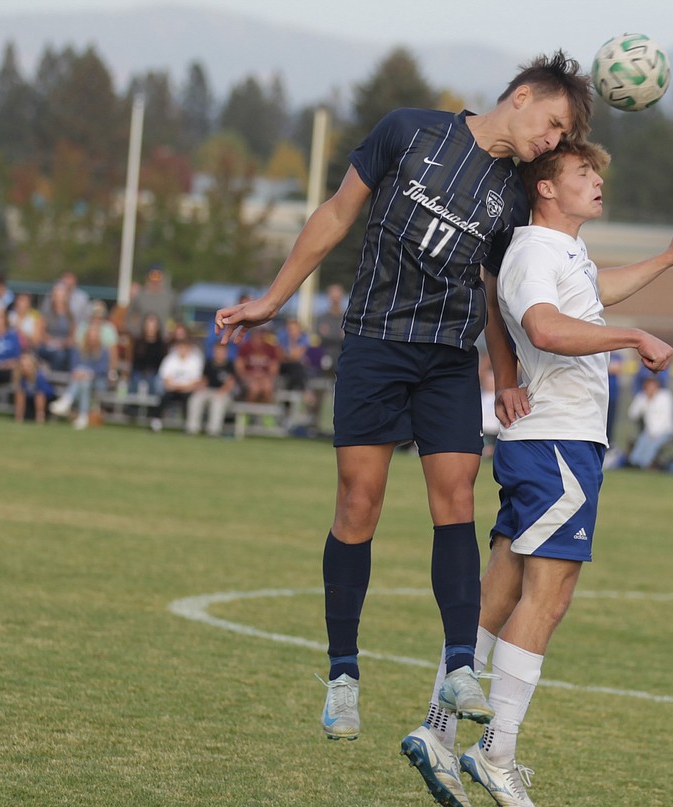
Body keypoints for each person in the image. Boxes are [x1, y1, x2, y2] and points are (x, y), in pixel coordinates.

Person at [212, 52, 592, 766]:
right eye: (552, 124)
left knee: (456, 500)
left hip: (448, 360)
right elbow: (336, 214)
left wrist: (504, 373)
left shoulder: (512, 199)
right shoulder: (407, 132)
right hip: (376, 346)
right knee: (360, 504)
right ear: (520, 97)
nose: (551, 141)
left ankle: (457, 668)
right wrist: (273, 298)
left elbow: (494, 296)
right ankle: (343, 674)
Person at [407, 139, 673, 807]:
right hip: (559, 442)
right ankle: (496, 753)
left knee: (500, 590)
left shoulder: (563, 252)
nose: (597, 181)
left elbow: (587, 299)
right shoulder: (536, 250)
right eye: (582, 172)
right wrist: (632, 337)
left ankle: (439, 731)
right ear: (545, 188)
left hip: (548, 443)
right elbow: (545, 324)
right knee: (550, 595)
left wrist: (667, 259)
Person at [50, 324, 111, 430]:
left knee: (85, 379)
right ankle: (83, 417)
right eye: (90, 336)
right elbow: (73, 366)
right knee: (84, 383)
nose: (92, 338)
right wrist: (80, 373)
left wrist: (88, 373)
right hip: (80, 380)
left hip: (98, 382)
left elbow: (102, 370)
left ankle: (67, 399)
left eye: (94, 336)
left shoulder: (104, 351)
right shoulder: (78, 349)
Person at [150, 335, 204, 432]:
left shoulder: (195, 360)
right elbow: (165, 378)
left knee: (189, 400)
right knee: (163, 397)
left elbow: (196, 381)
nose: (182, 350)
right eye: (180, 347)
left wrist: (183, 387)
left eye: (185, 347)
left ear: (189, 348)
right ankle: (156, 422)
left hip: (187, 390)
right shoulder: (170, 359)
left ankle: (188, 424)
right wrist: (174, 386)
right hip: (172, 389)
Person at [626, 374, 673, 469]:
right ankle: (634, 463)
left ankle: (644, 464)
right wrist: (642, 401)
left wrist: (654, 433)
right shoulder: (642, 397)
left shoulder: (665, 397)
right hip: (649, 431)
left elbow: (666, 419)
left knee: (651, 444)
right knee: (642, 444)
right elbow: (632, 414)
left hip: (665, 431)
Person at [186, 341, 236, 437]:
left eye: (221, 351)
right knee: (196, 398)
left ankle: (213, 430)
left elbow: (230, 383)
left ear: (226, 352)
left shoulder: (230, 365)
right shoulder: (208, 364)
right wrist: (201, 387)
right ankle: (192, 428)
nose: (219, 353)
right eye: (217, 351)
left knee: (217, 402)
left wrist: (220, 392)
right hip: (208, 390)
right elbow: (204, 380)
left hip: (223, 393)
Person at [124, 264, 177, 341]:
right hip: (142, 340)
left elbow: (178, 318)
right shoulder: (140, 296)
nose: (155, 280)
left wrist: (171, 333)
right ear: (147, 277)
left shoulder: (171, 297)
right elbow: (128, 317)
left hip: (164, 340)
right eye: (152, 276)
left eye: (158, 276)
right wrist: (136, 331)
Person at [13, 352, 54, 424]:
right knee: (19, 393)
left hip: (46, 402)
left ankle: (40, 417)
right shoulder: (21, 378)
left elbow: (44, 393)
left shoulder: (39, 377)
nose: (25, 368)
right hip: (29, 401)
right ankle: (19, 416)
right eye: (23, 366)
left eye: (27, 366)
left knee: (39, 395)